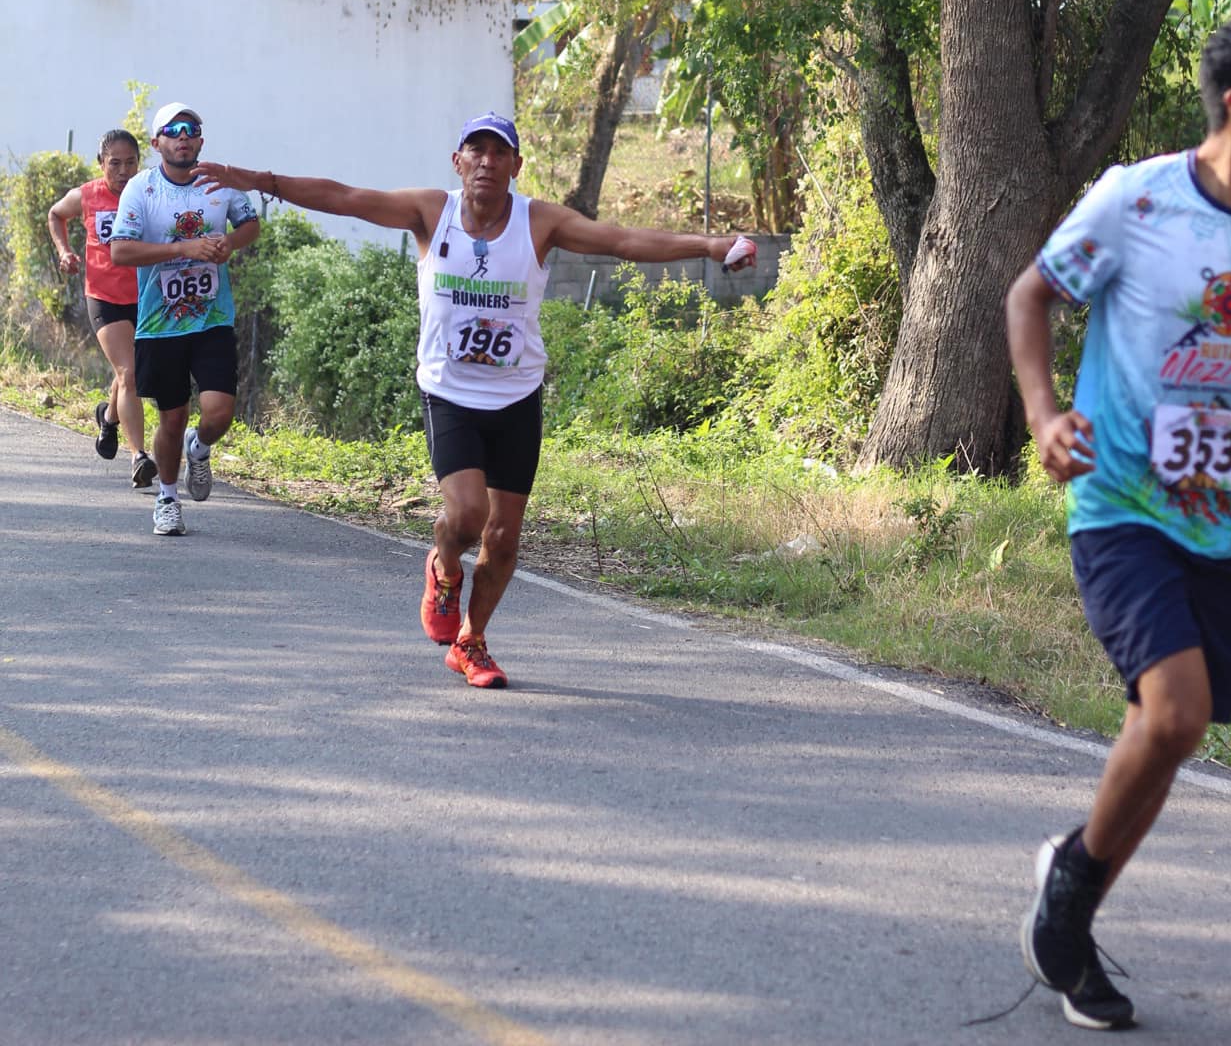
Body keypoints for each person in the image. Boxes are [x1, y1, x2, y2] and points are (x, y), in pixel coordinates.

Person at [196, 111, 756, 687]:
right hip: (450, 392)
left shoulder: (539, 222)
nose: (487, 161)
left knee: (504, 536)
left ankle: (473, 641)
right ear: (457, 161)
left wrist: (712, 245)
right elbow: (343, 197)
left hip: (516, 396)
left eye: (499, 152)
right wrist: (253, 179)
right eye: (476, 151)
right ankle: (442, 568)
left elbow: (623, 239)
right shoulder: (429, 213)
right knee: (467, 516)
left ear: (516, 165)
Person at [1005, 16, 1231, 1032]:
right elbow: (1028, 296)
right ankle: (1068, 903)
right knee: (1171, 712)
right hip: (1117, 501)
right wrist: (1041, 417)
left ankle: (1066, 905)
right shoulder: (1137, 198)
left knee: (1174, 728)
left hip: (1217, 519)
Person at [109, 102, 260, 536]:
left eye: (191, 130)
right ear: (157, 143)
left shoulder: (220, 182)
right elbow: (120, 251)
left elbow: (250, 226)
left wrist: (229, 242)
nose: (183, 137)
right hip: (160, 324)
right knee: (172, 418)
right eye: (172, 131)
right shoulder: (141, 189)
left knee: (219, 412)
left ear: (200, 140)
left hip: (212, 317)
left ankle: (201, 446)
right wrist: (183, 249)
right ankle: (168, 498)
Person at [47, 127, 157, 489]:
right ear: (101, 164)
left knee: (128, 371)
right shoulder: (87, 195)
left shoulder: (149, 192)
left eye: (130, 163)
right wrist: (65, 252)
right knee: (129, 374)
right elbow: (54, 215)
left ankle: (108, 418)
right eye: (115, 164)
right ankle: (138, 456)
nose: (123, 171)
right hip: (105, 297)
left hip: (145, 298)